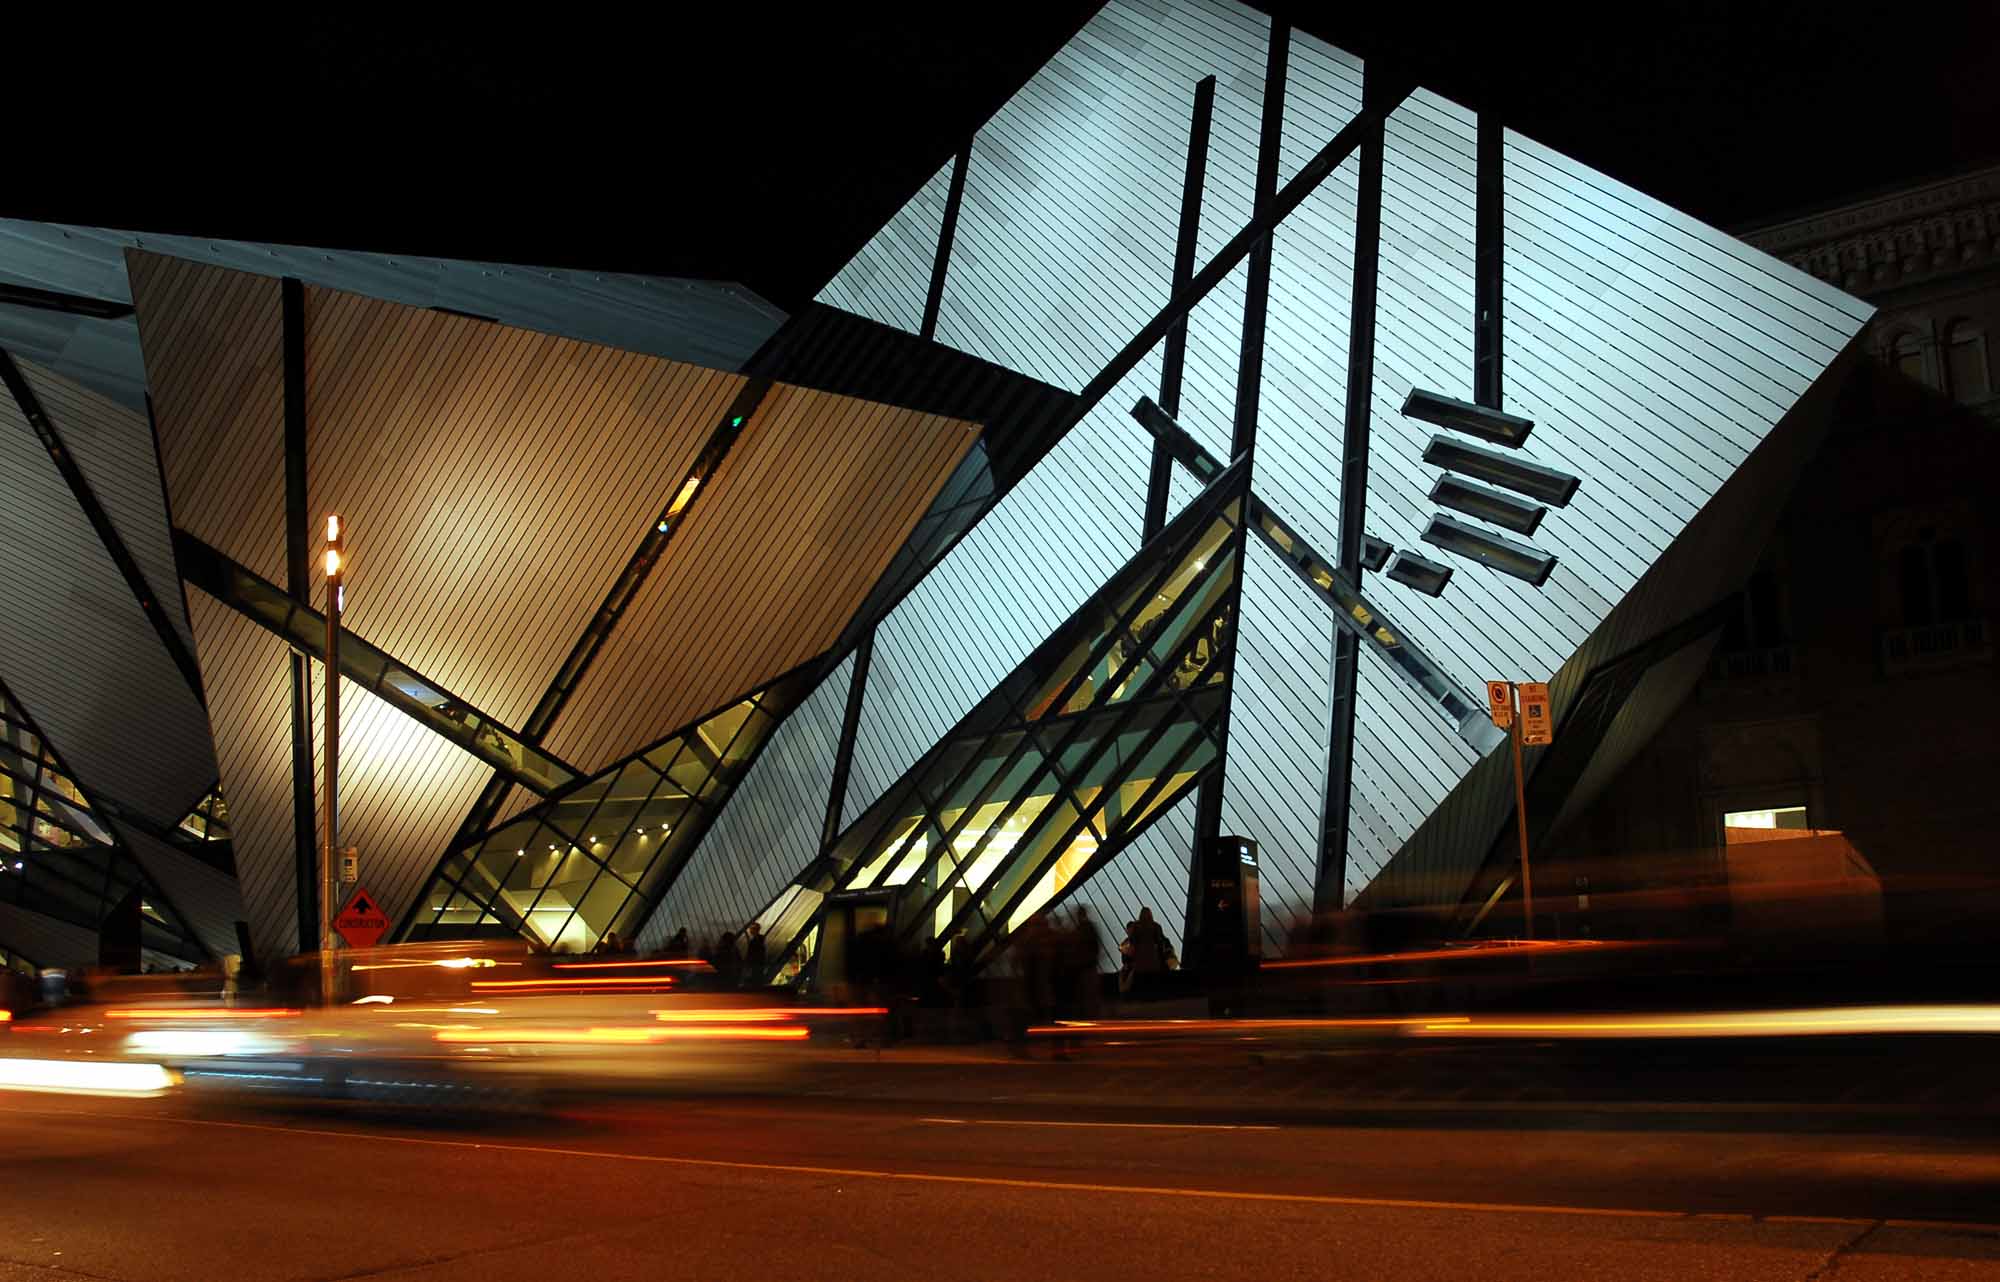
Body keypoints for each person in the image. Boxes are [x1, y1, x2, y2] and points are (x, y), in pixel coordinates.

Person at [1122, 906, 1170, 999]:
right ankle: (1152, 995)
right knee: (1152, 978)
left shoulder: (1136, 926)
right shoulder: (1156, 926)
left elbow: (1132, 942)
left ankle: (1141, 996)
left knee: (1141, 978)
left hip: (1139, 957)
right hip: (1152, 956)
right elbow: (1160, 943)